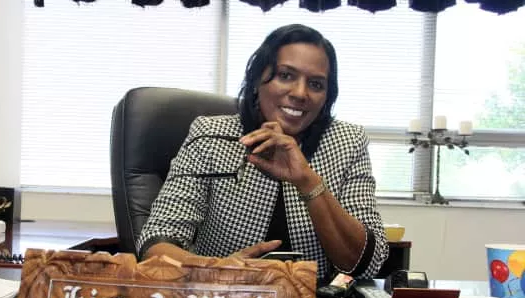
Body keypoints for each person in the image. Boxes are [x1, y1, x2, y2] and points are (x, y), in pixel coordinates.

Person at [136, 24, 388, 281]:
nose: (300, 93)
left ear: (327, 96)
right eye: (286, 75)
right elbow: (156, 243)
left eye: (316, 84)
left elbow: (366, 264)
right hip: (222, 297)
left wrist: (307, 181)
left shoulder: (347, 142)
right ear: (257, 80)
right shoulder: (211, 135)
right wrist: (217, 271)